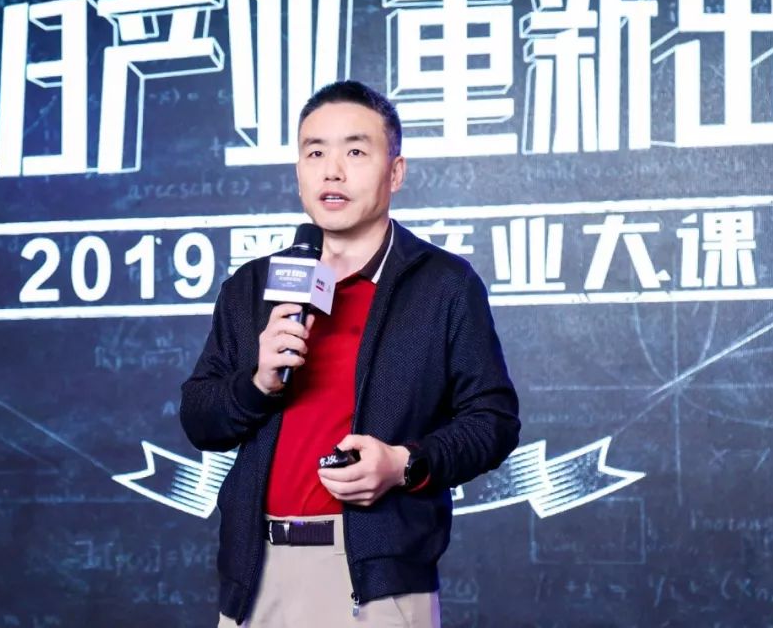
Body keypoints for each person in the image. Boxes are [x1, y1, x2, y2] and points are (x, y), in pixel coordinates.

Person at [179, 80, 520, 627]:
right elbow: (200, 418)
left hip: (376, 582)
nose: (331, 172)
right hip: (255, 574)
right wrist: (258, 383)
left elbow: (493, 421)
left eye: (355, 152)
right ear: (298, 170)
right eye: (315, 153)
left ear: (395, 172)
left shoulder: (444, 286)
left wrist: (403, 465)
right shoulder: (253, 286)